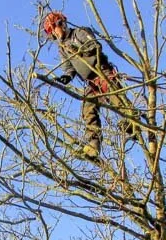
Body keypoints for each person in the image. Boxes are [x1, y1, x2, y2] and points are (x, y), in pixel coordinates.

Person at [42, 11, 143, 160]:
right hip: (90, 82)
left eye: (54, 29)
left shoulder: (79, 33)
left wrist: (79, 51)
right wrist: (66, 77)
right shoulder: (62, 49)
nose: (55, 35)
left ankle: (132, 122)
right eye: (51, 33)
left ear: (60, 24)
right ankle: (93, 144)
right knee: (88, 108)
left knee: (115, 96)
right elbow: (69, 68)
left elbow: (95, 46)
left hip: (101, 71)